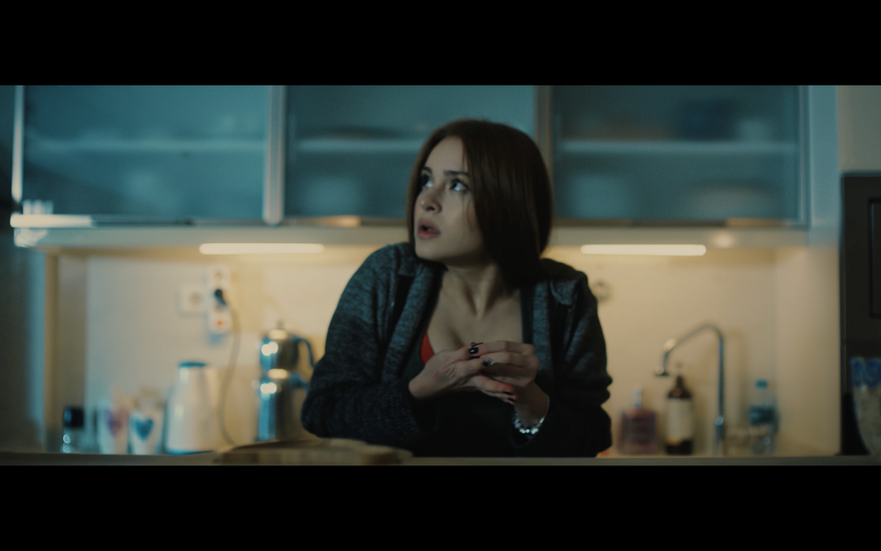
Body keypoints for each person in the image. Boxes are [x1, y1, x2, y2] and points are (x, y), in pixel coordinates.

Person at [300, 119, 612, 457]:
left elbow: (592, 435)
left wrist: (533, 405)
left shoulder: (564, 294)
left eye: (458, 185)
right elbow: (323, 412)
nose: (427, 200)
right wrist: (417, 391)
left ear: (508, 202)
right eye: (426, 180)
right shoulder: (387, 275)